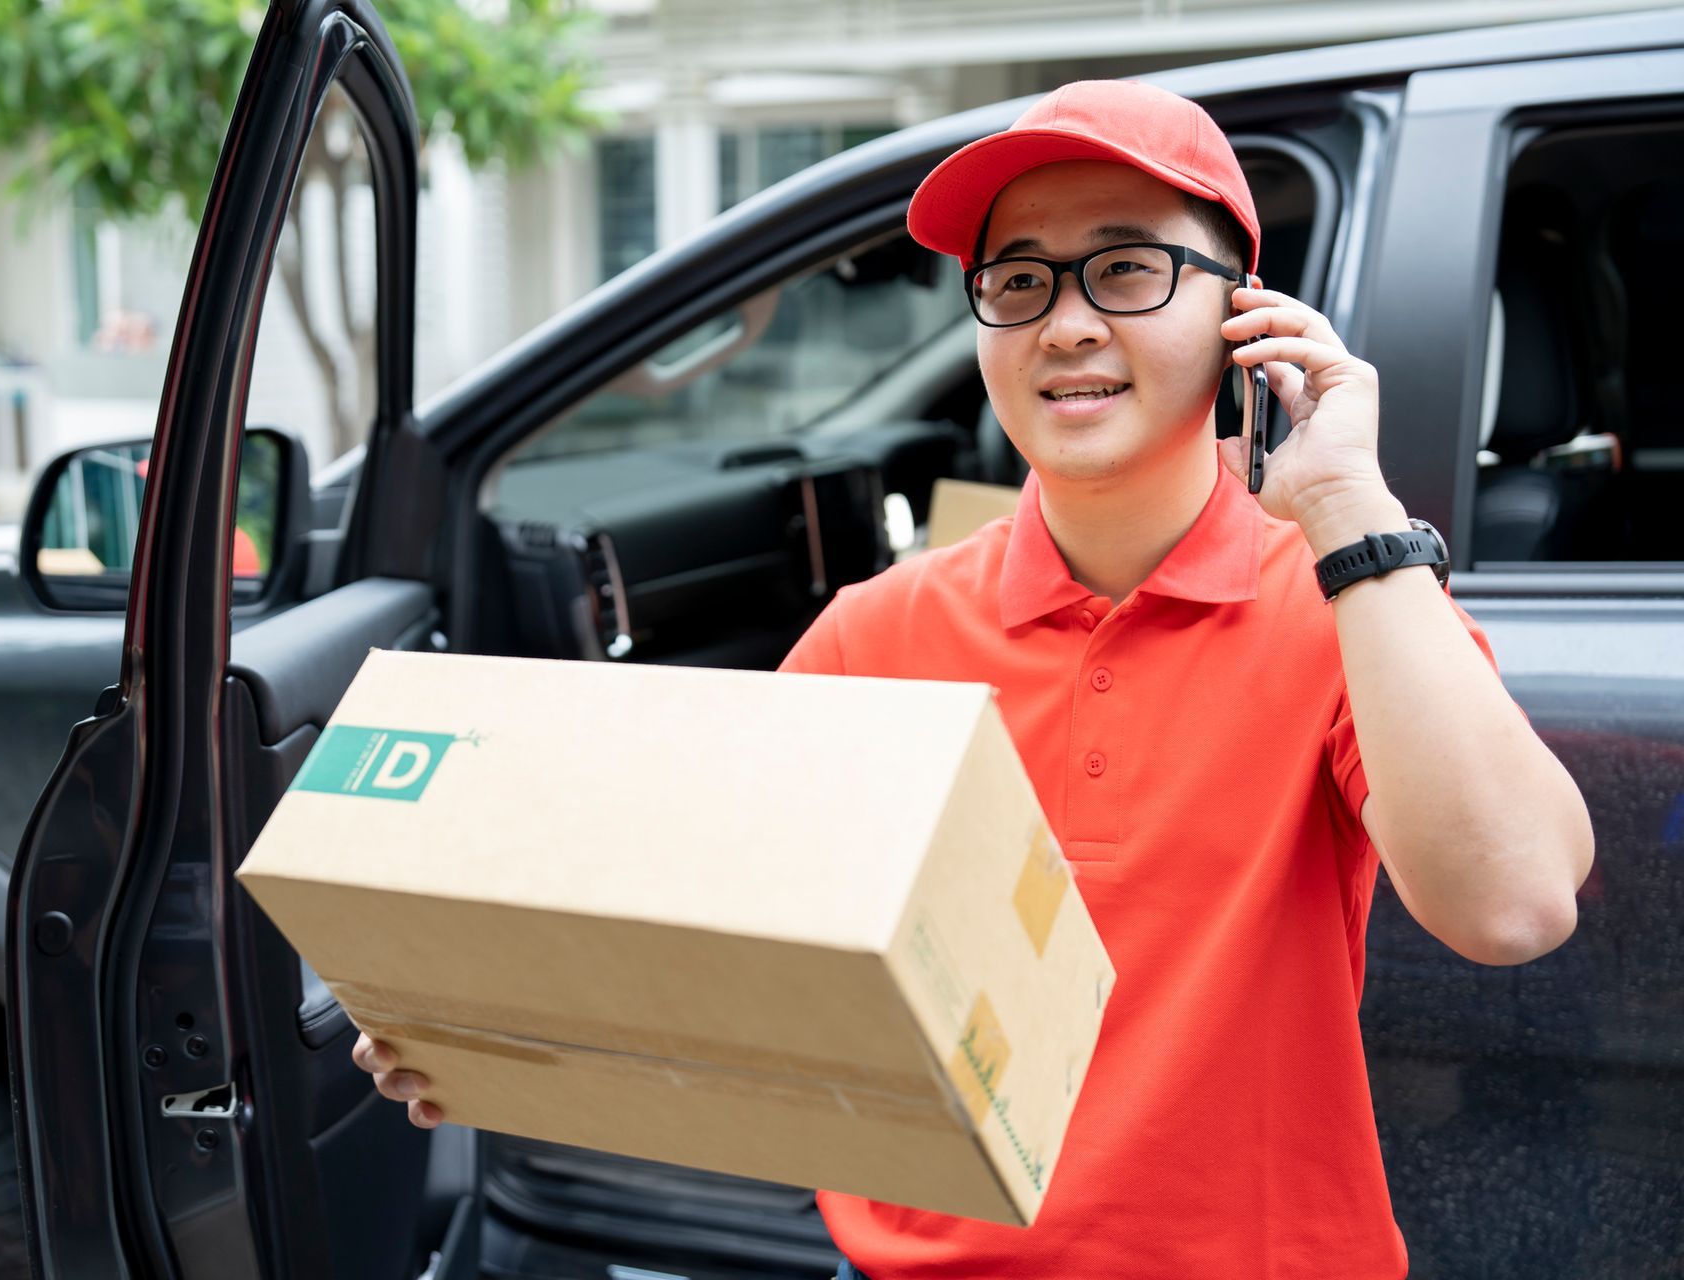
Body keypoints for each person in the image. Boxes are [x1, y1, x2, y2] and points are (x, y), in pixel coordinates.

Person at [352, 78, 1594, 1279]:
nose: (1067, 323)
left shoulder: (1351, 601)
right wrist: (484, 1023)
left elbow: (1516, 904)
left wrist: (1349, 505)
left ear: (1244, 312)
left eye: (1126, 268)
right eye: (1018, 280)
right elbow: (707, 933)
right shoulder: (878, 632)